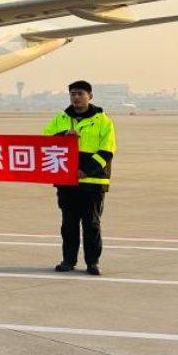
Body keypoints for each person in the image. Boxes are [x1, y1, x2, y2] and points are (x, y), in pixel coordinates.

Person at [42, 80, 117, 275]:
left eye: (80, 94)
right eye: (73, 94)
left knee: (91, 224)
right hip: (67, 182)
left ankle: (93, 263)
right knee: (69, 224)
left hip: (93, 182)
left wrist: (85, 170)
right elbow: (45, 140)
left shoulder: (103, 121)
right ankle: (68, 260)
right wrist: (63, 134)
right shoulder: (61, 118)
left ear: (90, 96)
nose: (76, 97)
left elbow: (107, 151)